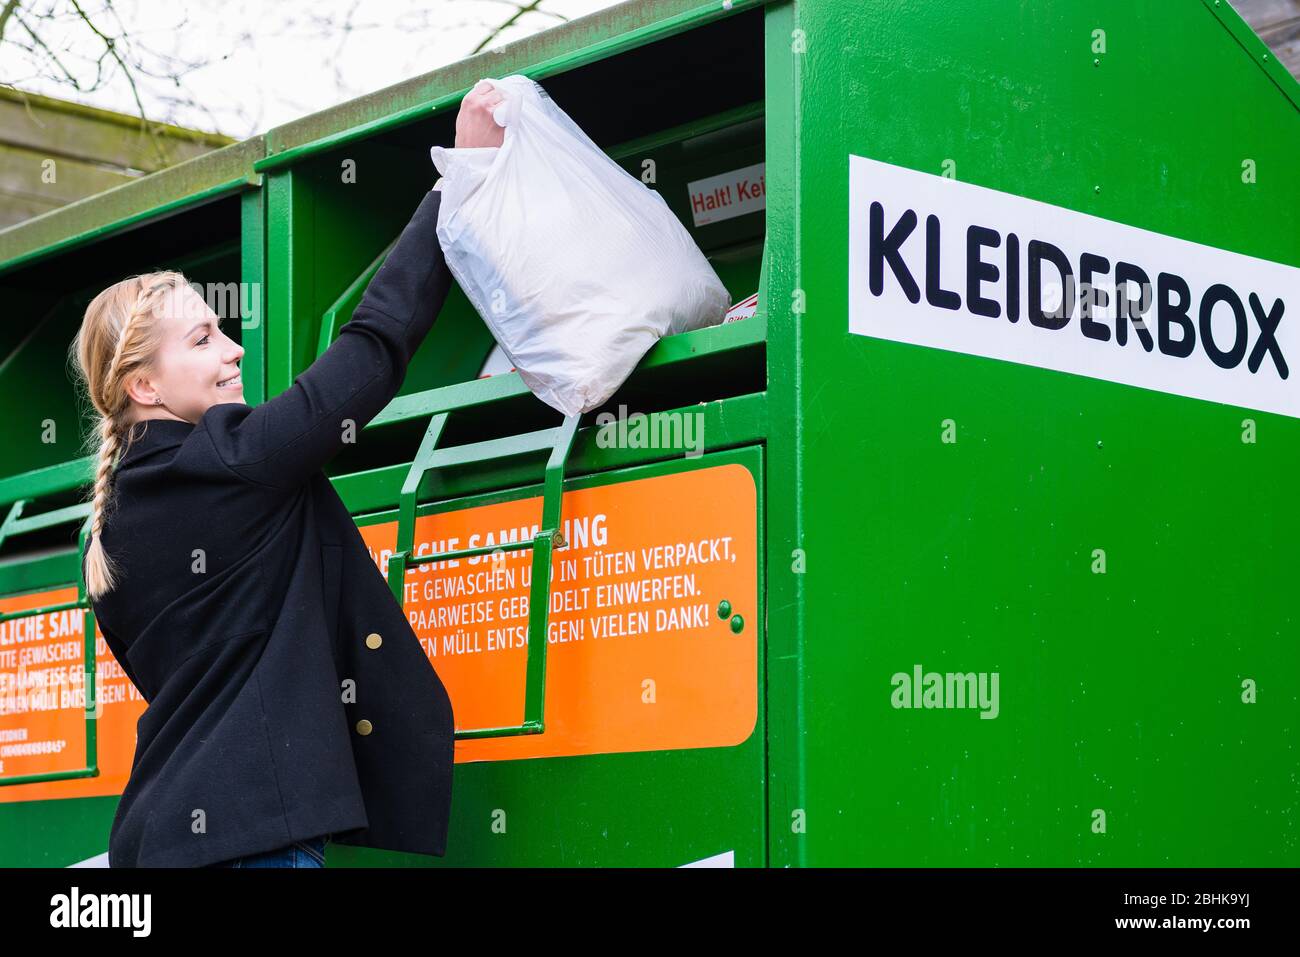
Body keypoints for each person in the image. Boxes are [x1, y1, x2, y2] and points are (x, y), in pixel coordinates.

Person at [69, 81, 506, 868]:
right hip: (251, 845)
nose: (233, 350)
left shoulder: (110, 527)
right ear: (143, 386)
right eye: (202, 339)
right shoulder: (233, 459)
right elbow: (373, 347)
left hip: (154, 840)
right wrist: (458, 183)